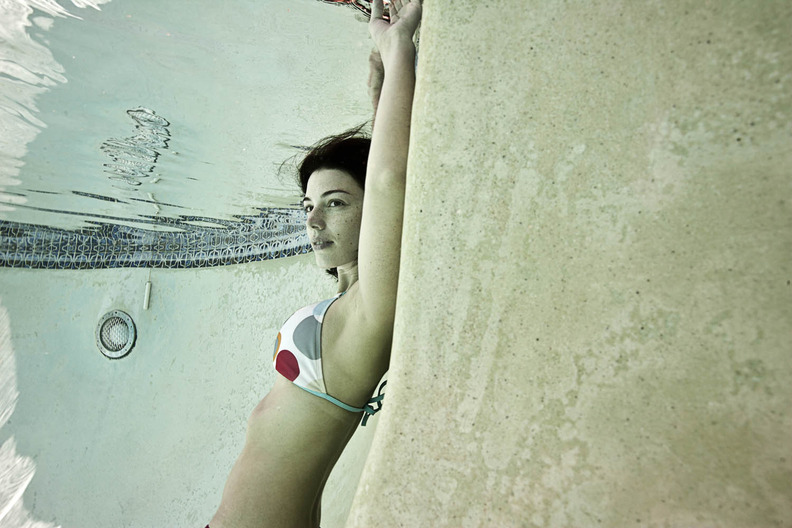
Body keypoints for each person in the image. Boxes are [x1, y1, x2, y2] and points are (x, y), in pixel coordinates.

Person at [208, 1, 421, 526]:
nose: (314, 221)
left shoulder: (372, 309)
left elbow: (389, 181)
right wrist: (381, 90)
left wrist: (400, 57)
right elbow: (378, 182)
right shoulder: (353, 303)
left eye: (335, 203)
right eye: (309, 206)